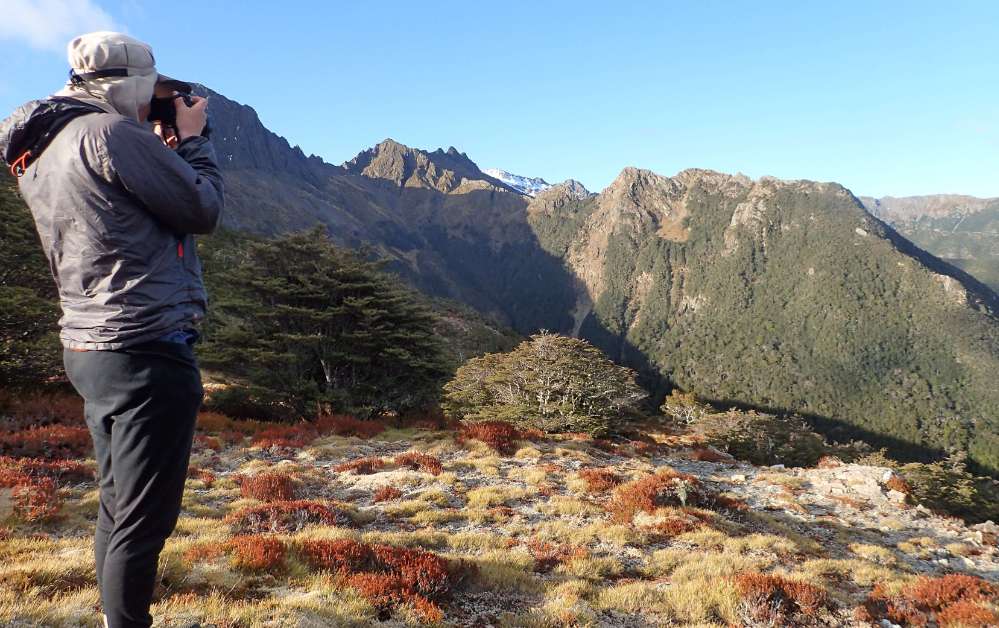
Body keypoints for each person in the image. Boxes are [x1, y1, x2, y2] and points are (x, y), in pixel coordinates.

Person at [0, 32, 223, 628]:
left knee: (117, 503)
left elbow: (120, 216)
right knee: (143, 520)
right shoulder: (111, 134)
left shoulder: (44, 146)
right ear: (127, 83)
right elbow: (201, 209)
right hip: (147, 344)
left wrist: (160, 148)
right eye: (151, 86)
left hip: (91, 346)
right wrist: (194, 144)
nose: (157, 97)